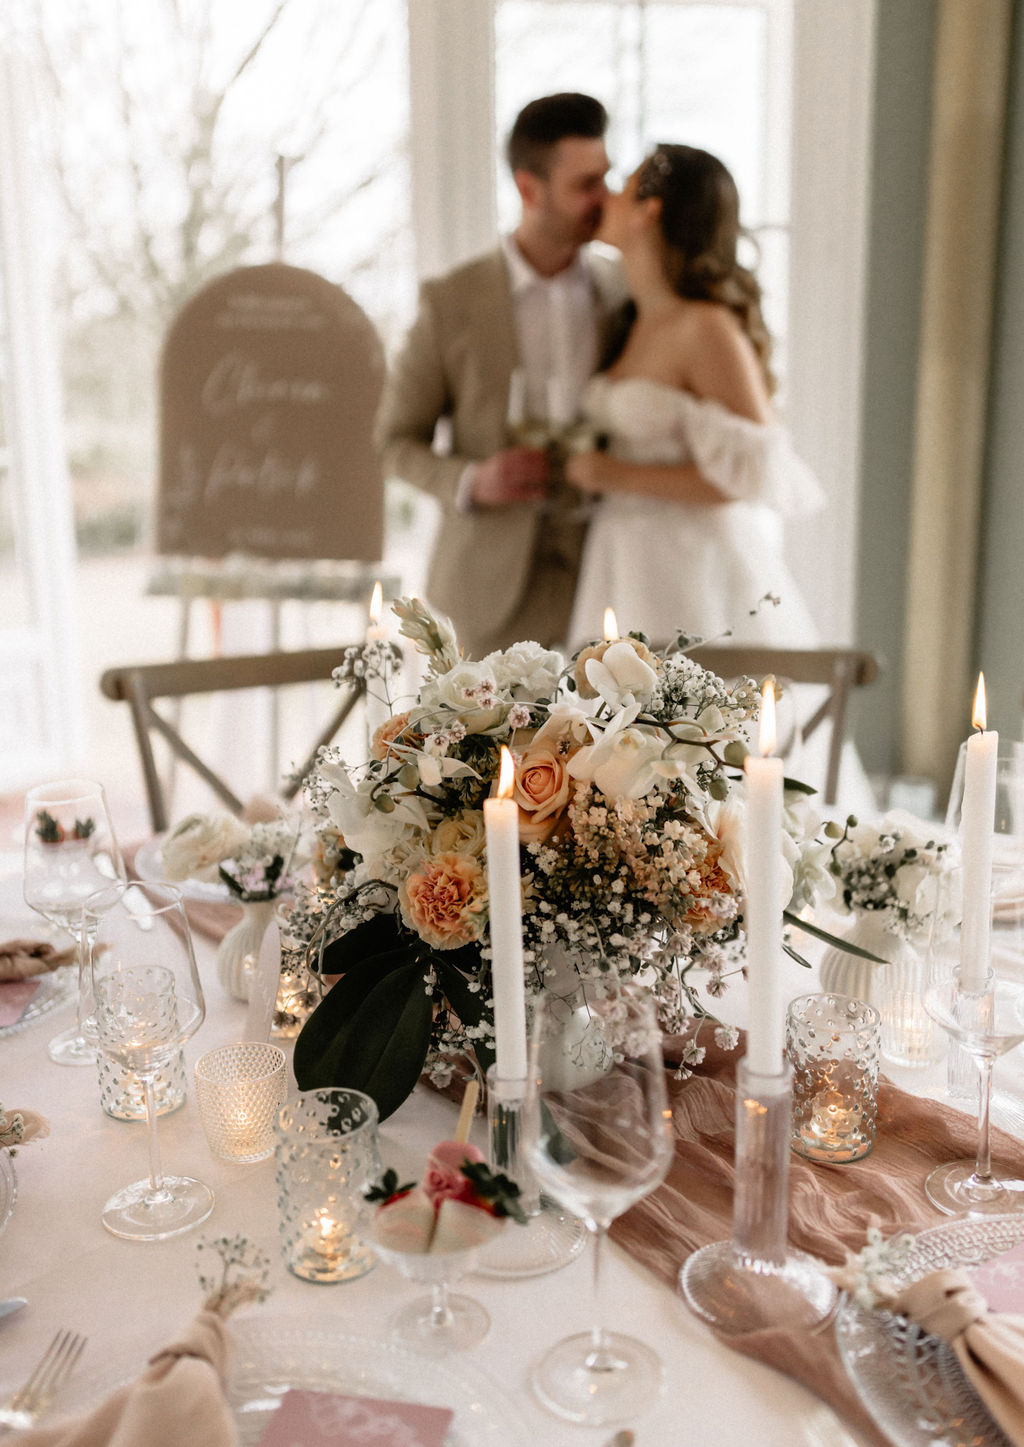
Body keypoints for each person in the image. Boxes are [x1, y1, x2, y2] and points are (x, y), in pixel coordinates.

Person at [376, 93, 627, 658]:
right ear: (528, 188)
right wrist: (472, 481)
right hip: (486, 594)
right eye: (584, 185)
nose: (603, 200)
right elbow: (392, 442)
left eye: (605, 179)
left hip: (610, 575)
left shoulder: (624, 291)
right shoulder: (451, 302)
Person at [565, 143, 825, 653]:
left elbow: (751, 473)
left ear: (650, 210)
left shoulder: (708, 329)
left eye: (622, 188)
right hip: (620, 559)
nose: (608, 198)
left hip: (689, 569)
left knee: (685, 718)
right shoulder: (629, 318)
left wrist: (612, 475)